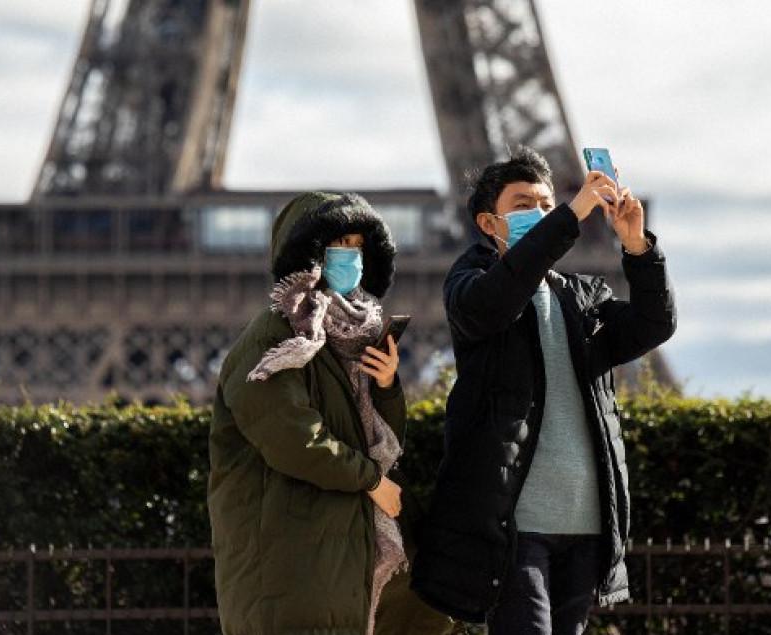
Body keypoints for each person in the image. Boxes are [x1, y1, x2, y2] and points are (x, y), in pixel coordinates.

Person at [410, 148, 677, 634]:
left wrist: (638, 247)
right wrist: (572, 215)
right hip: (516, 525)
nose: (540, 213)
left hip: (585, 521)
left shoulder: (581, 296)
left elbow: (652, 324)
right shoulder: (470, 285)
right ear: (489, 223)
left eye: (547, 203)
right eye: (524, 204)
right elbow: (495, 301)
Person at [208, 192, 452, 635]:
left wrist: (386, 386)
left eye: (359, 244)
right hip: (293, 549)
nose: (351, 255)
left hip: (338, 546)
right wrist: (371, 481)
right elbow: (291, 436)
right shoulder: (275, 334)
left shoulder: (358, 336)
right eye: (340, 242)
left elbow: (380, 443)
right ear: (309, 251)